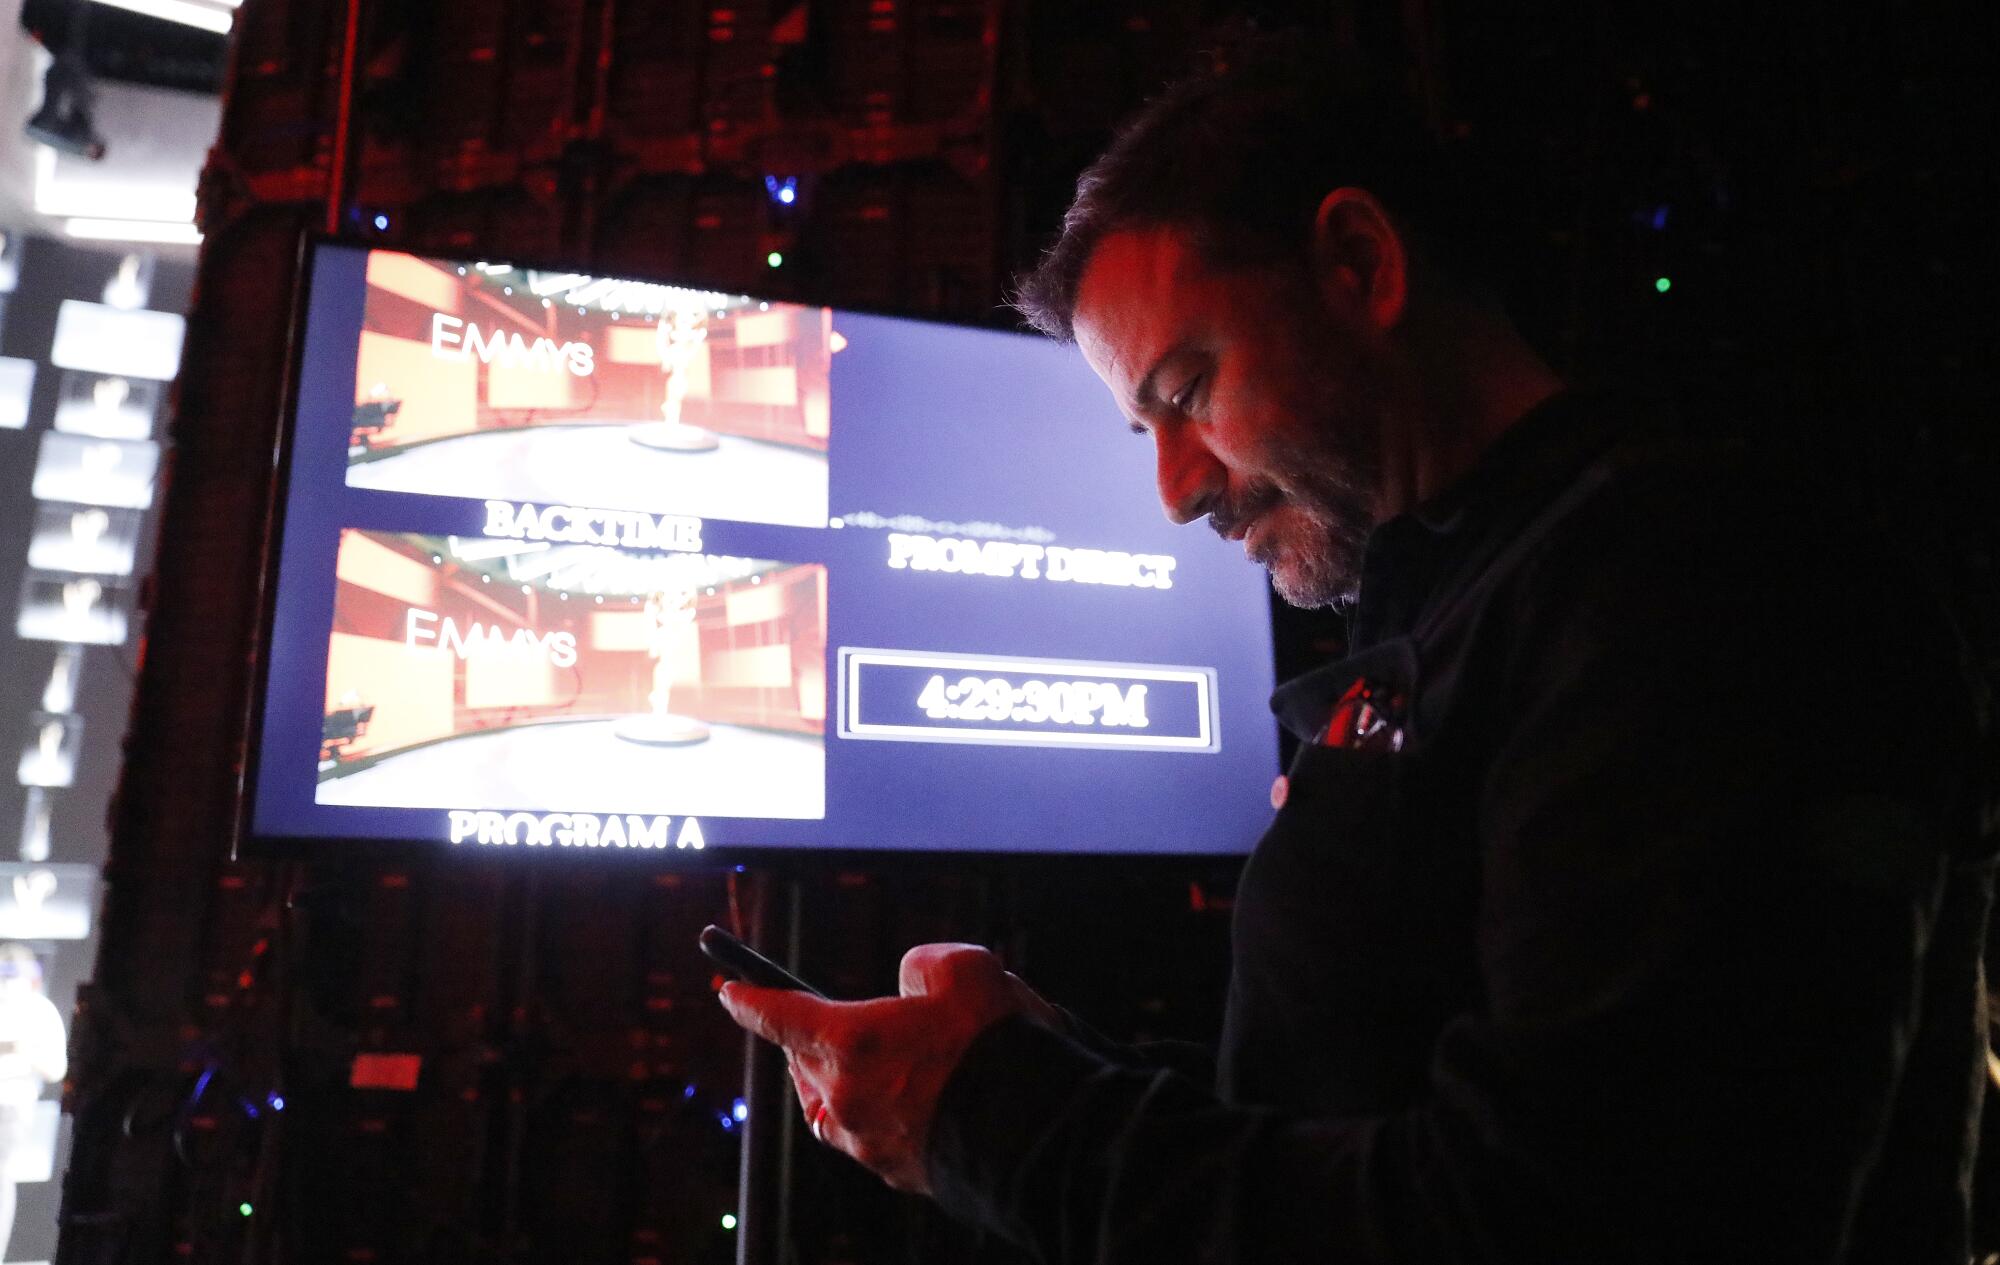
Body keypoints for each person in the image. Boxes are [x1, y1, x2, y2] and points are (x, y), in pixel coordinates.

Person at [719, 39, 1994, 1264]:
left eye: (1187, 391)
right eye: (1143, 430)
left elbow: (1561, 1221)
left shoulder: (1702, 585)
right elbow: (1368, 1123)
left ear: (1358, 262)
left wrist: (1004, 1118)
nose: (1173, 490)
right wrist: (1059, 1079)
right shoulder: (1485, 599)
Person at [0, 944, 68, 1257]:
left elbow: (56, 1069)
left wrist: (22, 1049)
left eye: (13, 973)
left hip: (12, 1106)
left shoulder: (41, 1012)